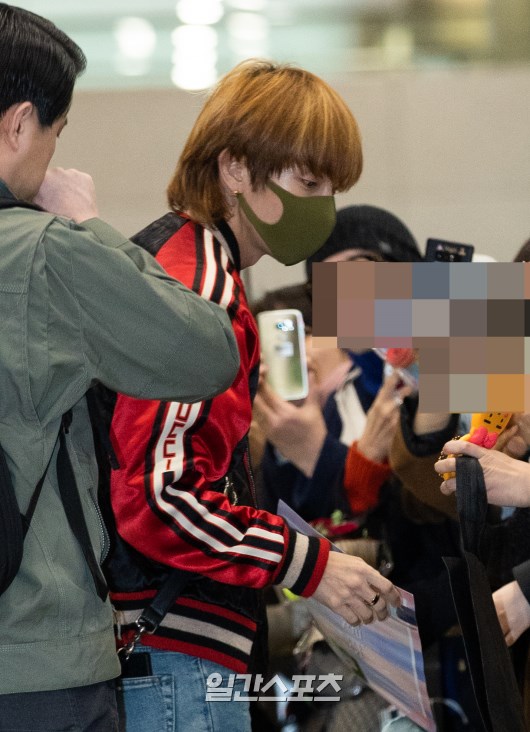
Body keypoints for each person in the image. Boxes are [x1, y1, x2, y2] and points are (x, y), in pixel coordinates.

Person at [105, 60, 401, 732]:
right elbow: (161, 494)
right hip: (176, 637)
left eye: (332, 188)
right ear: (235, 167)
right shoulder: (197, 286)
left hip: (183, 633)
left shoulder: (203, 272)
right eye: (309, 182)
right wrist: (311, 563)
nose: (324, 207)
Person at [0, 5, 240, 731]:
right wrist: (85, 226)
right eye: (55, 133)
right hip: (36, 657)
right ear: (17, 126)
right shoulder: (43, 251)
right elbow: (205, 349)